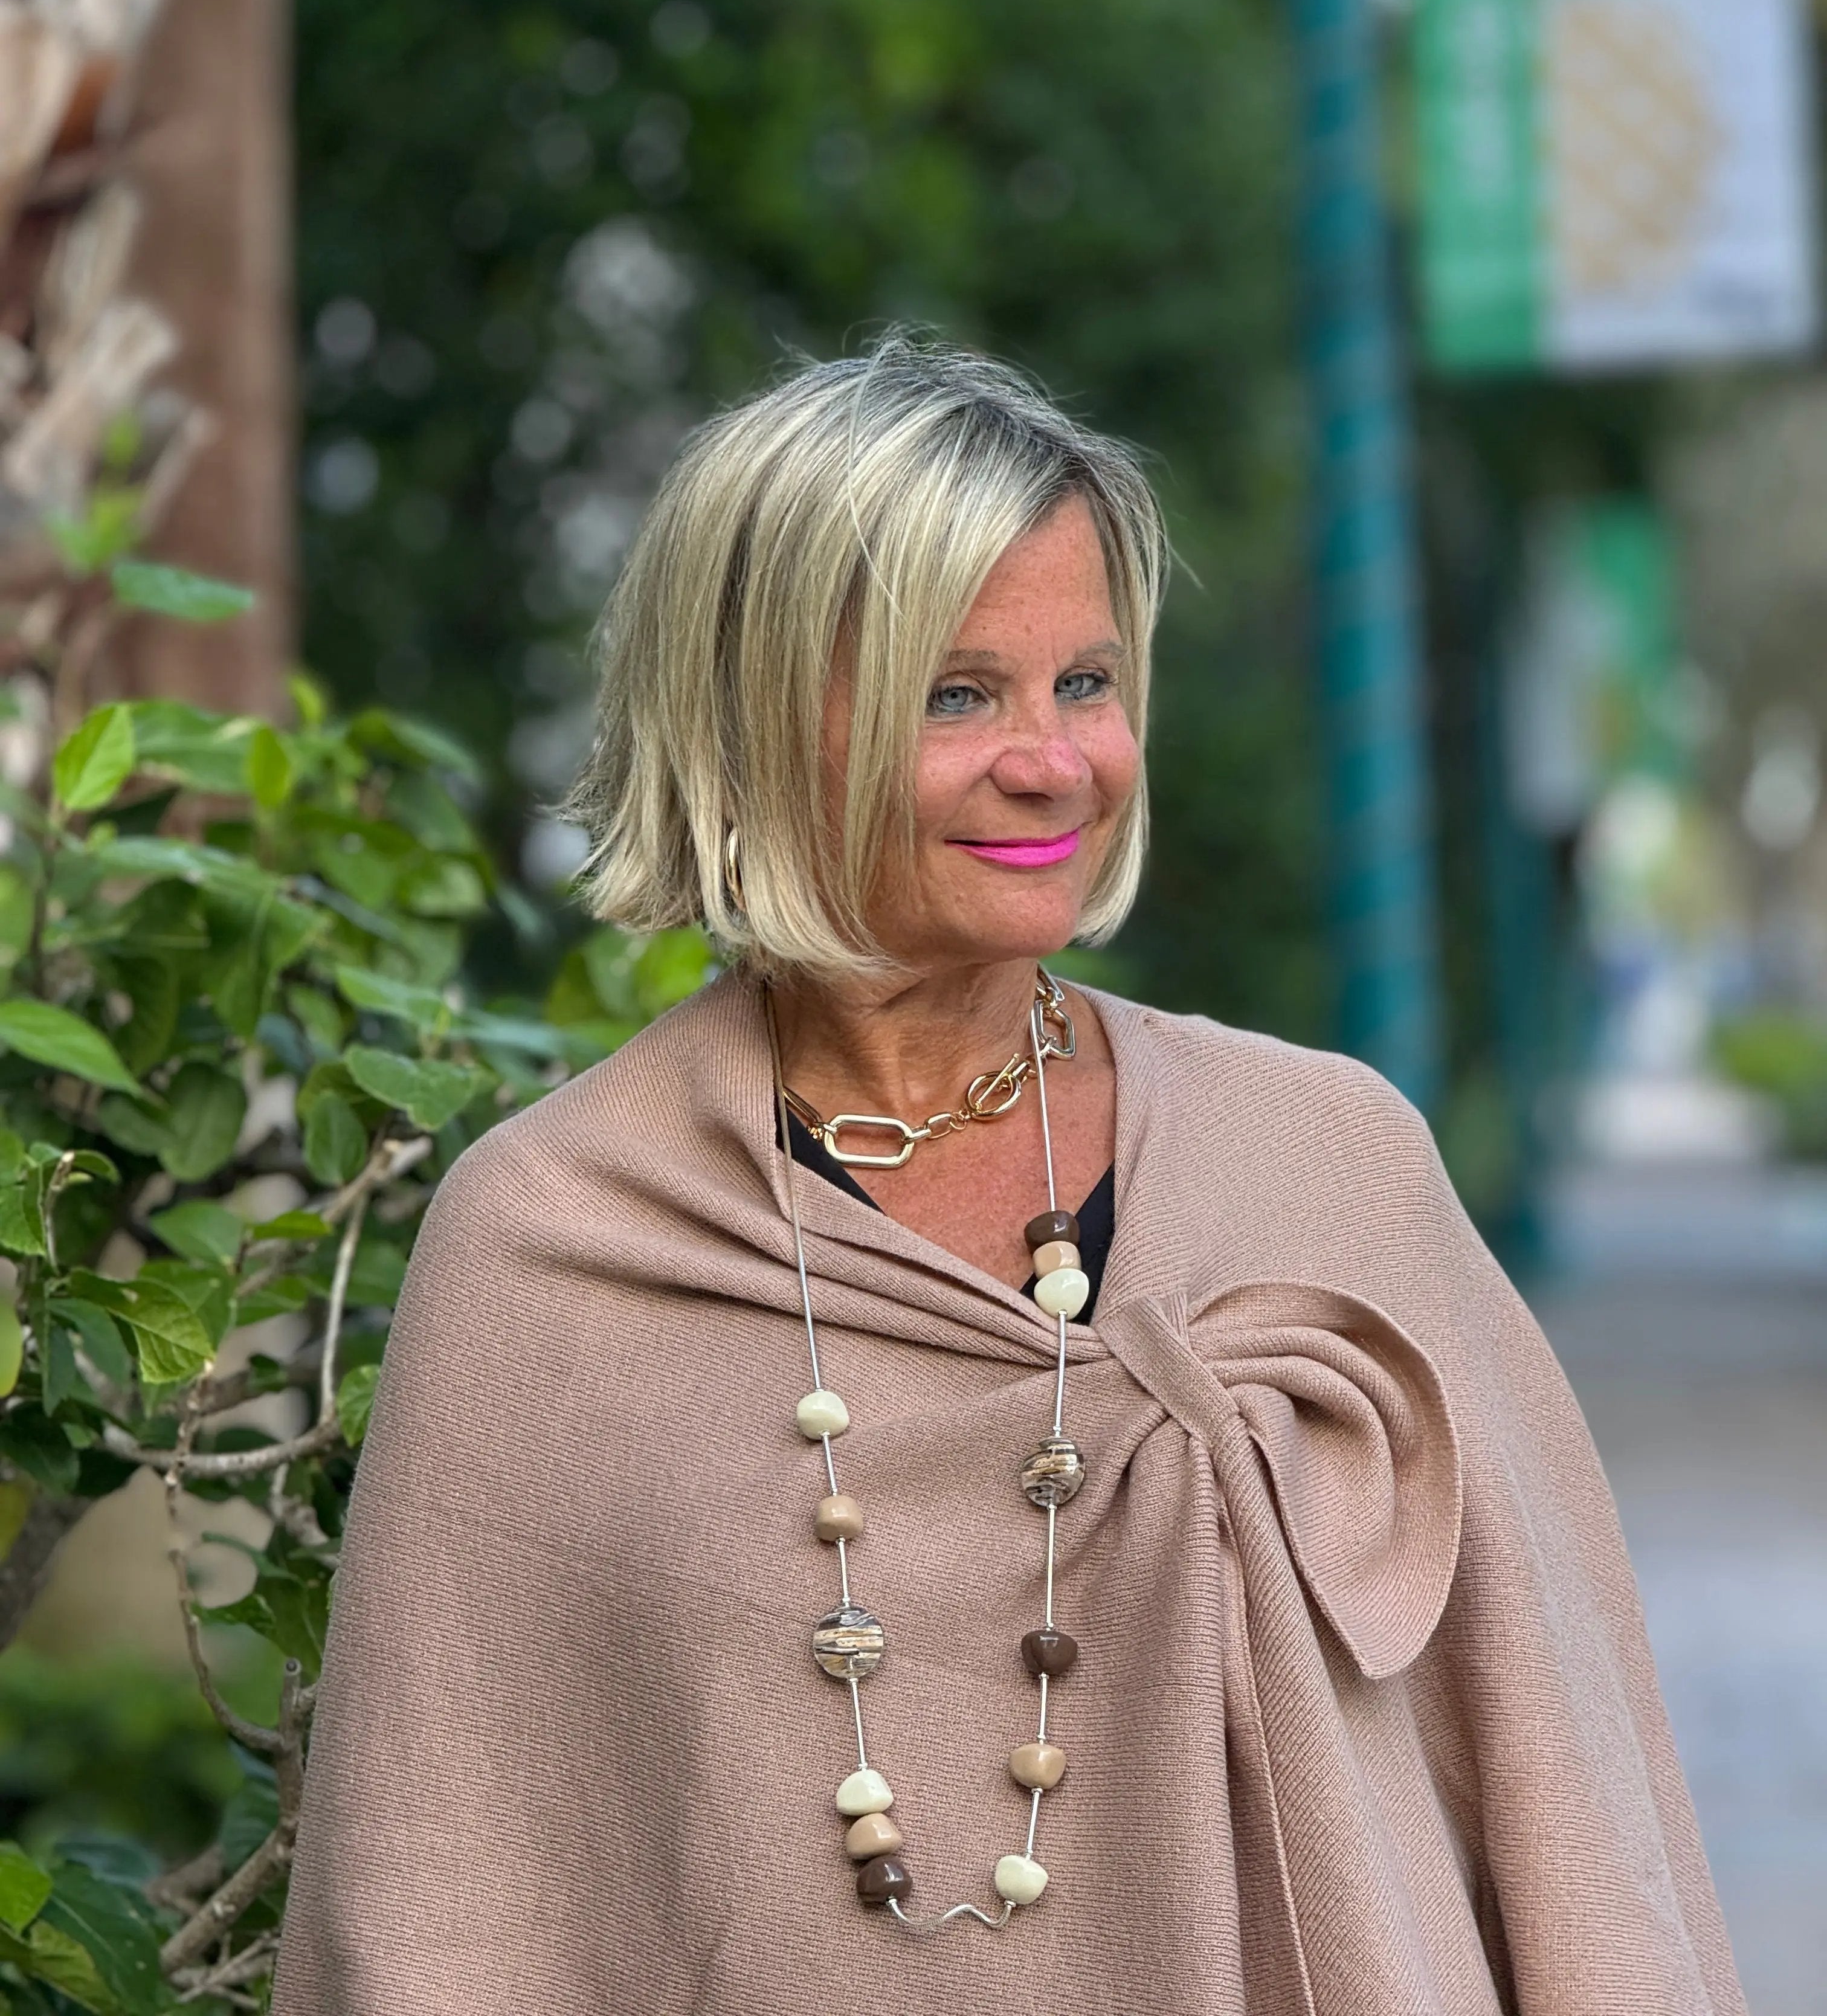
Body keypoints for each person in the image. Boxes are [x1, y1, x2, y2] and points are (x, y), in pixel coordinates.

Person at [276, 338, 1744, 2015]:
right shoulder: (552, 1244)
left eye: (1088, 682)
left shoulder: (1329, 1165)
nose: (1055, 762)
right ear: (749, 724)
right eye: (957, 695)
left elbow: (1572, 1807)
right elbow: (438, 1901)